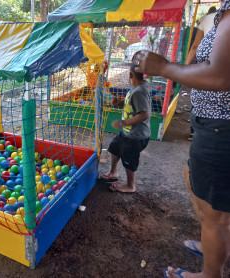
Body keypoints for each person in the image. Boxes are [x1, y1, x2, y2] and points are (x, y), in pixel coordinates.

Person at [134, 0, 230, 277]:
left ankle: (210, 271)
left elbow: (220, 75)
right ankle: (214, 243)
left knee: (217, 215)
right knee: (192, 177)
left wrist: (164, 67)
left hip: (220, 127)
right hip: (212, 124)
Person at [100, 52, 151, 193]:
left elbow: (144, 114)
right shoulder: (135, 89)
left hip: (136, 136)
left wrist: (123, 123)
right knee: (114, 148)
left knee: (129, 160)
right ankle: (113, 173)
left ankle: (130, 185)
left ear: (130, 75)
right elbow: (131, 106)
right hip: (127, 133)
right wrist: (119, 103)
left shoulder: (139, 92)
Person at [185, 4, 221, 141]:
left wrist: (186, 67)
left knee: (200, 96)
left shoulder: (205, 19)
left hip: (205, 67)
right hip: (222, 66)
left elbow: (195, 46)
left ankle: (194, 132)